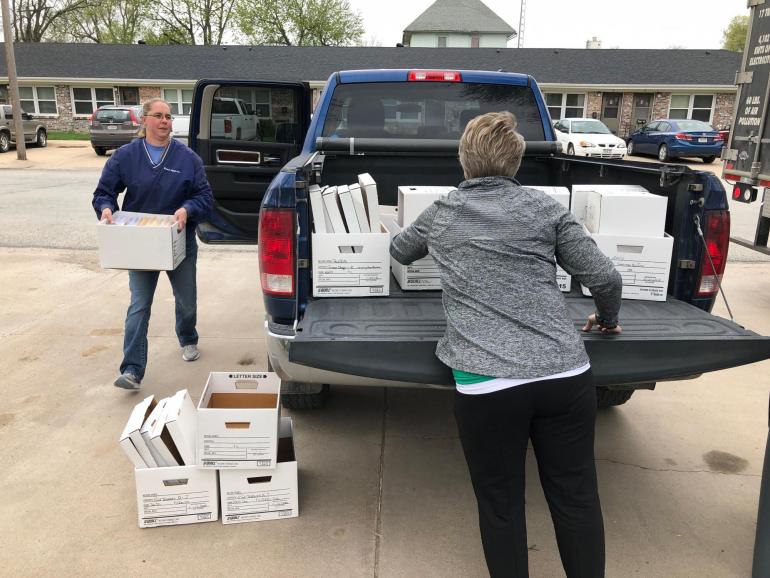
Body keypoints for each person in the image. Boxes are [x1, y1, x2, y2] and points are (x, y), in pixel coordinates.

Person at [390, 111, 623, 577]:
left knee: (501, 507)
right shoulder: (545, 209)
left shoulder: (442, 212)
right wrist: (607, 319)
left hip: (487, 385)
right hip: (564, 376)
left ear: (463, 160)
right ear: (516, 163)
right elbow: (605, 277)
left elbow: (400, 250)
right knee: (576, 496)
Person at [92, 98, 214, 390]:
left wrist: (187, 210)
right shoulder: (125, 157)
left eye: (169, 117)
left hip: (178, 239)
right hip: (142, 243)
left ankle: (187, 337)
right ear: (144, 120)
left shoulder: (187, 159)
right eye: (158, 116)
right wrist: (106, 209)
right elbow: (104, 193)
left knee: (186, 300)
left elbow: (205, 198)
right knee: (139, 305)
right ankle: (132, 369)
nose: (164, 122)